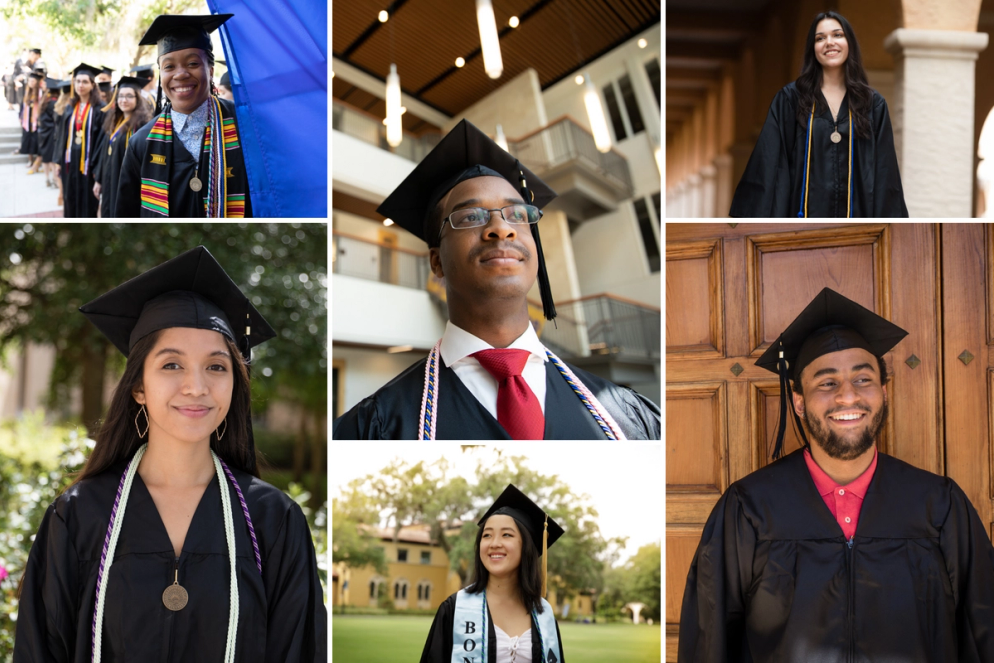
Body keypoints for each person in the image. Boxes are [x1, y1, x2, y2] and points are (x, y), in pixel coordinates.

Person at [13, 245, 327, 663]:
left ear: (235, 385)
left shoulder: (273, 521)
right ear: (138, 387)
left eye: (216, 367)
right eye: (172, 365)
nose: (196, 386)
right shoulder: (79, 516)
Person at [677, 287, 994, 662]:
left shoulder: (938, 505)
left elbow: (982, 633)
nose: (847, 397)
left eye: (863, 379)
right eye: (827, 383)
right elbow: (709, 640)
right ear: (798, 401)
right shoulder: (749, 508)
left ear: (883, 392)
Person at [333, 119, 661, 440]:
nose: (502, 228)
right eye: (471, 216)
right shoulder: (372, 429)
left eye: (517, 215)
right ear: (437, 261)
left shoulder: (628, 417)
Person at [729, 12, 908, 217]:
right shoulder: (791, 100)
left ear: (849, 43)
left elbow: (885, 175)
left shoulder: (872, 105)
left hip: (857, 222)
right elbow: (771, 166)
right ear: (812, 49)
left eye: (837, 35)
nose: (829, 43)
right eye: (820, 38)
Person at [116, 14, 252, 217]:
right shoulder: (141, 143)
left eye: (193, 64)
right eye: (169, 66)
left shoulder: (246, 127)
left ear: (211, 70)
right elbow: (126, 215)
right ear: (161, 75)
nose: (180, 74)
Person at [421, 484, 566, 663]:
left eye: (506, 535)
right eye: (487, 535)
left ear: (527, 547)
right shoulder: (455, 608)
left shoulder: (544, 614)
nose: (494, 543)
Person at [93, 76, 153, 217]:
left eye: (129, 96)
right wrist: (99, 180)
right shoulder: (114, 120)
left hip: (127, 183)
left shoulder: (142, 126)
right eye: (120, 96)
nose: (124, 100)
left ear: (137, 98)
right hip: (110, 179)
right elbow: (104, 153)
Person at [60, 62, 105, 217]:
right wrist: (58, 161)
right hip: (70, 164)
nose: (80, 85)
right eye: (78, 81)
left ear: (93, 85)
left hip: (88, 166)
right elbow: (62, 136)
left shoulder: (100, 109)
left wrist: (98, 170)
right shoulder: (70, 107)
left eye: (85, 82)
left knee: (88, 204)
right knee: (70, 200)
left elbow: (102, 142)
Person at [36, 77, 61, 188]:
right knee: (51, 157)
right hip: (51, 133)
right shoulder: (54, 103)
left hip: (43, 133)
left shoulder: (45, 101)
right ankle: (55, 179)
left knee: (45, 157)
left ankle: (47, 178)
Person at [19, 70, 44, 172]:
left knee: (36, 141)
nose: (31, 83)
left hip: (36, 121)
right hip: (27, 121)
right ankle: (30, 160)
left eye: (33, 81)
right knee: (28, 141)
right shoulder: (26, 92)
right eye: (29, 81)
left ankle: (38, 162)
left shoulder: (40, 92)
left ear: (37, 82)